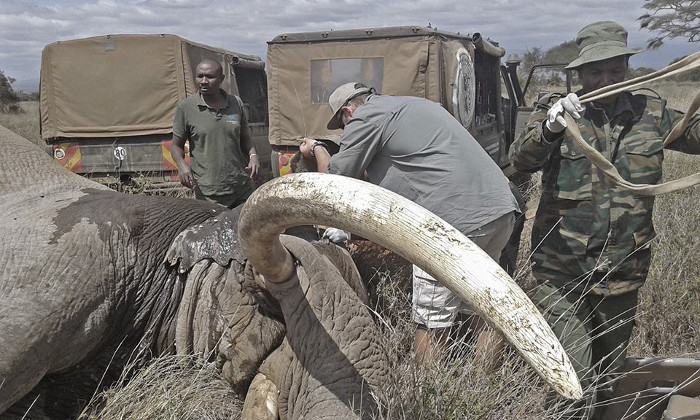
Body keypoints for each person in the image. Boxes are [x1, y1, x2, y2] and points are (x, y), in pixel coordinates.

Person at [509, 21, 700, 418]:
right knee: (572, 375)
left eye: (615, 69)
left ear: (626, 69)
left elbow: (694, 134)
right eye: (595, 71)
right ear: (579, 74)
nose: (606, 79)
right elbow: (521, 160)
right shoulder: (555, 112)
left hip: (623, 268)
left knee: (609, 374)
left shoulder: (653, 112)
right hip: (562, 269)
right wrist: (550, 127)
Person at [300, 82, 520, 367]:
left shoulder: (366, 116)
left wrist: (316, 147)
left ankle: (428, 395)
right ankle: (483, 387)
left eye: (342, 124)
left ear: (347, 111)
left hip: (452, 226)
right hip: (500, 211)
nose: (345, 130)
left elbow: (333, 182)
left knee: (432, 319)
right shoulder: (416, 105)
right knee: (483, 310)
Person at [172, 59, 260, 208]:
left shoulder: (235, 103)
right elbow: (176, 145)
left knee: (246, 229)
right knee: (213, 231)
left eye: (210, 77)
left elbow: (245, 138)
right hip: (209, 192)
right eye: (199, 76)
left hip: (241, 187)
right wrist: (182, 165)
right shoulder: (185, 108)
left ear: (221, 79)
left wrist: (253, 156)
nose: (204, 81)